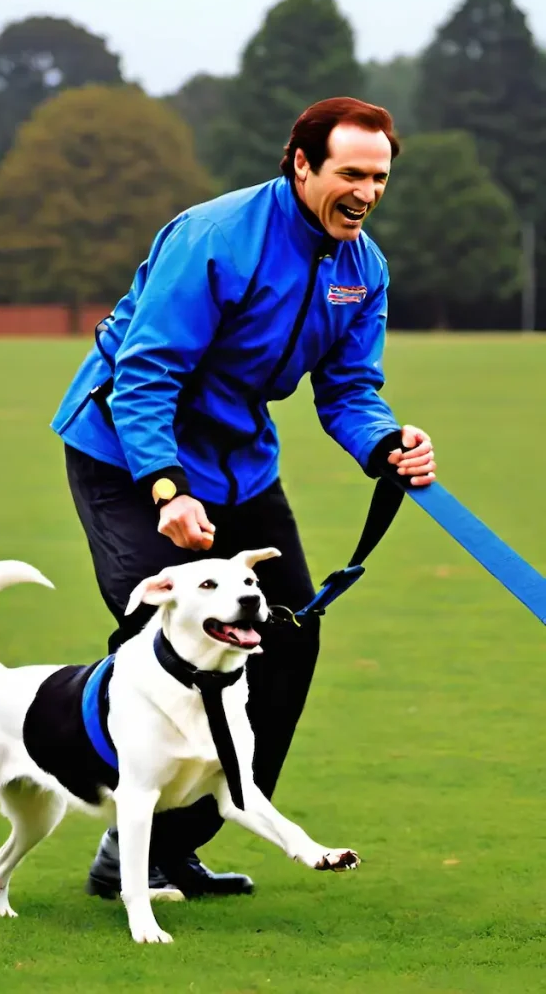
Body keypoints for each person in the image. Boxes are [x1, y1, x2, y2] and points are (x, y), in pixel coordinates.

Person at [51, 96, 436, 899]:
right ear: (301, 164)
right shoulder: (217, 238)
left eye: (379, 178)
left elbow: (349, 387)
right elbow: (145, 373)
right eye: (349, 174)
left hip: (240, 468)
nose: (364, 194)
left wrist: (383, 442)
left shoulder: (362, 268)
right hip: (126, 450)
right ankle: (125, 839)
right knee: (156, 634)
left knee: (285, 640)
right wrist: (166, 490)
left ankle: (172, 847)